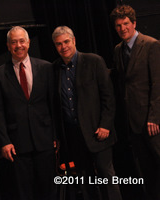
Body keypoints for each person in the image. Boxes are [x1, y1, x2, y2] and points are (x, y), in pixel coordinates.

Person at [52, 26, 122, 200]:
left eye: (66, 42)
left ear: (74, 40)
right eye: (59, 44)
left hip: (98, 132)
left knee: (107, 177)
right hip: (74, 135)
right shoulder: (54, 69)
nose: (63, 47)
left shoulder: (94, 61)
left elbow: (109, 97)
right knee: (85, 179)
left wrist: (105, 125)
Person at [0, 26, 57, 200]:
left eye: (22, 41)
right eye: (14, 42)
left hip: (45, 141)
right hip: (17, 145)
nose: (18, 45)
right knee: (24, 193)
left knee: (49, 191)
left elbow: (54, 104)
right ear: (8, 46)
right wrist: (4, 142)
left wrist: (56, 136)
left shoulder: (46, 68)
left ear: (28, 43)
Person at [110, 5, 160, 200]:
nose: (122, 29)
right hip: (133, 122)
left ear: (134, 23)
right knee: (148, 172)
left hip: (152, 121)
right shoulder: (118, 49)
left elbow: (158, 84)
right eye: (118, 25)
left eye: (125, 24)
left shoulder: (151, 45)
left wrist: (155, 117)